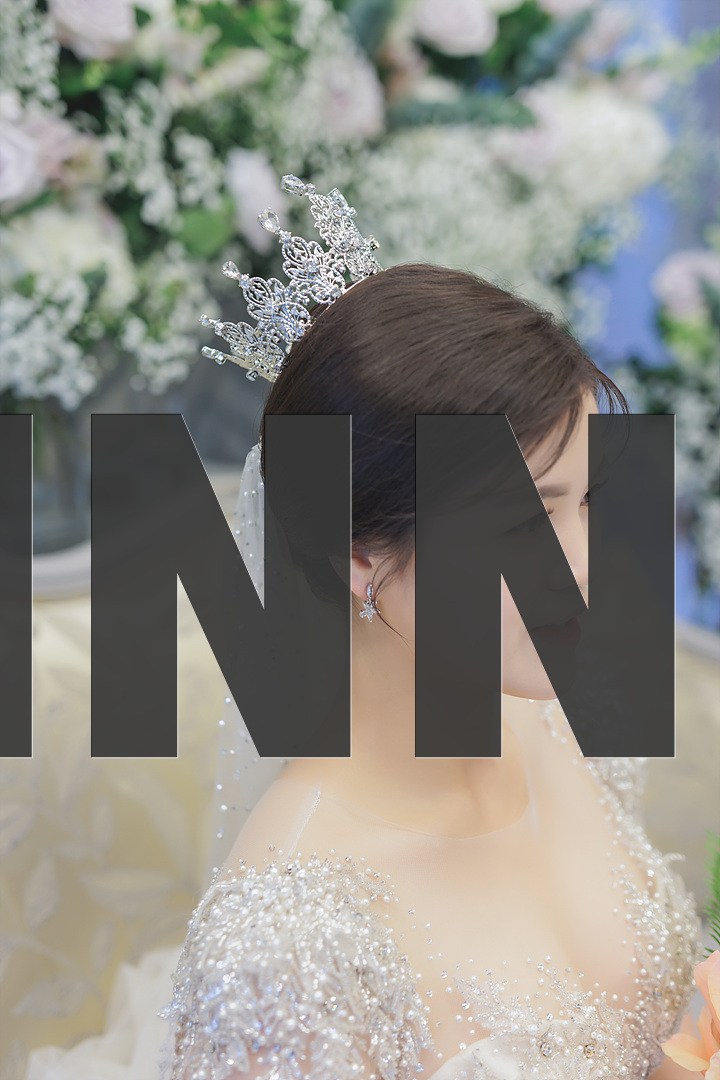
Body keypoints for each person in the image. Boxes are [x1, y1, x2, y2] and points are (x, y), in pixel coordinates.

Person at [159, 181, 703, 1080]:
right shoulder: (288, 950)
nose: (581, 563)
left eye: (582, 502)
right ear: (356, 556)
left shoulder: (565, 717)